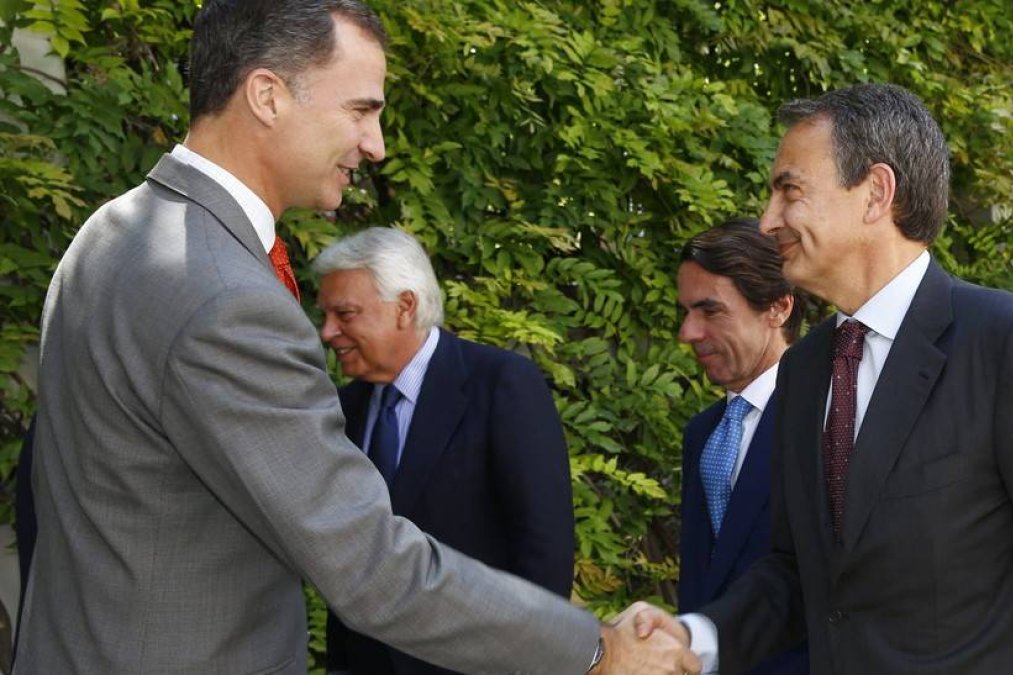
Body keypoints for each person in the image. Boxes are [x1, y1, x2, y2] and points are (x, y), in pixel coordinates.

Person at [16, 1, 698, 673]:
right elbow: (369, 565)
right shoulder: (222, 294)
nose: (376, 145)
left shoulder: (110, 233)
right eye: (361, 110)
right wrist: (597, 649)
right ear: (267, 95)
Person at [634, 83, 1013, 674]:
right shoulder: (803, 373)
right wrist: (692, 637)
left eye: (789, 191)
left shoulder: (1006, 343)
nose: (767, 219)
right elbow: (799, 574)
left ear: (876, 193)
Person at [314, 227, 576, 675]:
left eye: (345, 314)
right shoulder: (344, 408)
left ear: (405, 307)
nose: (327, 332)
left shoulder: (501, 384)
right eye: (326, 316)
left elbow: (545, 550)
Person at [675, 219, 809, 675]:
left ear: (778, 307)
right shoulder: (701, 434)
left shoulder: (831, 419)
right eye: (686, 312)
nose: (688, 333)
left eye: (710, 311)